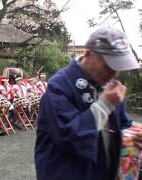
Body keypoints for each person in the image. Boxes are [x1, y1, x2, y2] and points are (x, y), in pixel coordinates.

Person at [35, 26, 140, 180]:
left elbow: (121, 124)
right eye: (108, 65)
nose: (113, 73)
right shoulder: (59, 87)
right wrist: (105, 104)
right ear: (87, 53)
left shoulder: (110, 86)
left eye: (117, 66)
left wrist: (134, 131)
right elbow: (68, 136)